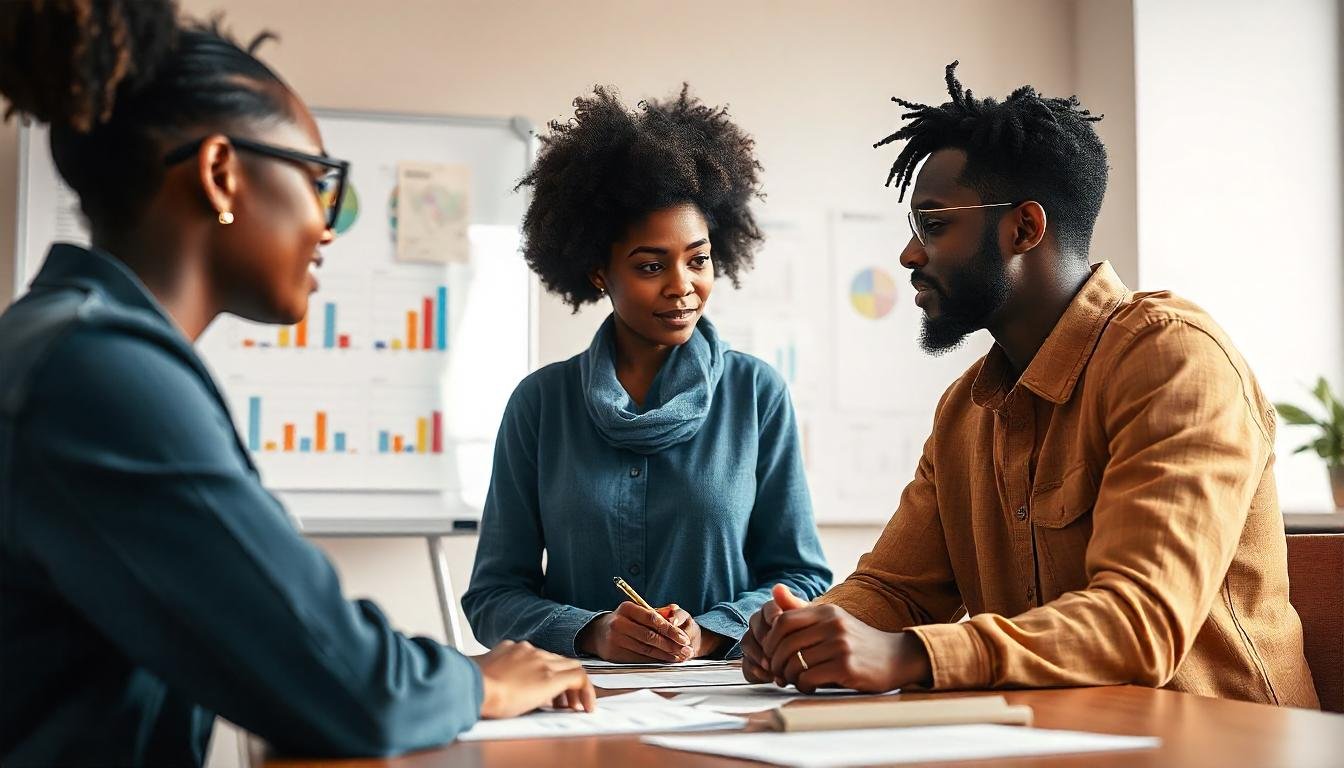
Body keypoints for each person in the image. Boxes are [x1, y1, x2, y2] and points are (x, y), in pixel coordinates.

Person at [0, 3, 592, 765]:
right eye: (320, 181)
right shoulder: (98, 372)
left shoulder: (75, 342)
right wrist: (483, 683)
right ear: (221, 173)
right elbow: (347, 682)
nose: (328, 223)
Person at [741, 61, 1318, 708]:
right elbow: (898, 590)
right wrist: (810, 628)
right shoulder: (965, 410)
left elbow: (1139, 627)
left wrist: (909, 653)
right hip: (1057, 742)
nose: (908, 255)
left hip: (1222, 747)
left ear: (1023, 229)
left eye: (933, 225)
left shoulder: (1177, 362)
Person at [462, 86, 831, 663]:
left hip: (719, 701)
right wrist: (592, 632)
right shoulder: (540, 404)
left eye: (698, 258)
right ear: (598, 272)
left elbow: (802, 578)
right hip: (579, 701)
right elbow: (491, 597)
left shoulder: (756, 394)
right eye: (650, 265)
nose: (682, 285)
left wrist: (711, 630)